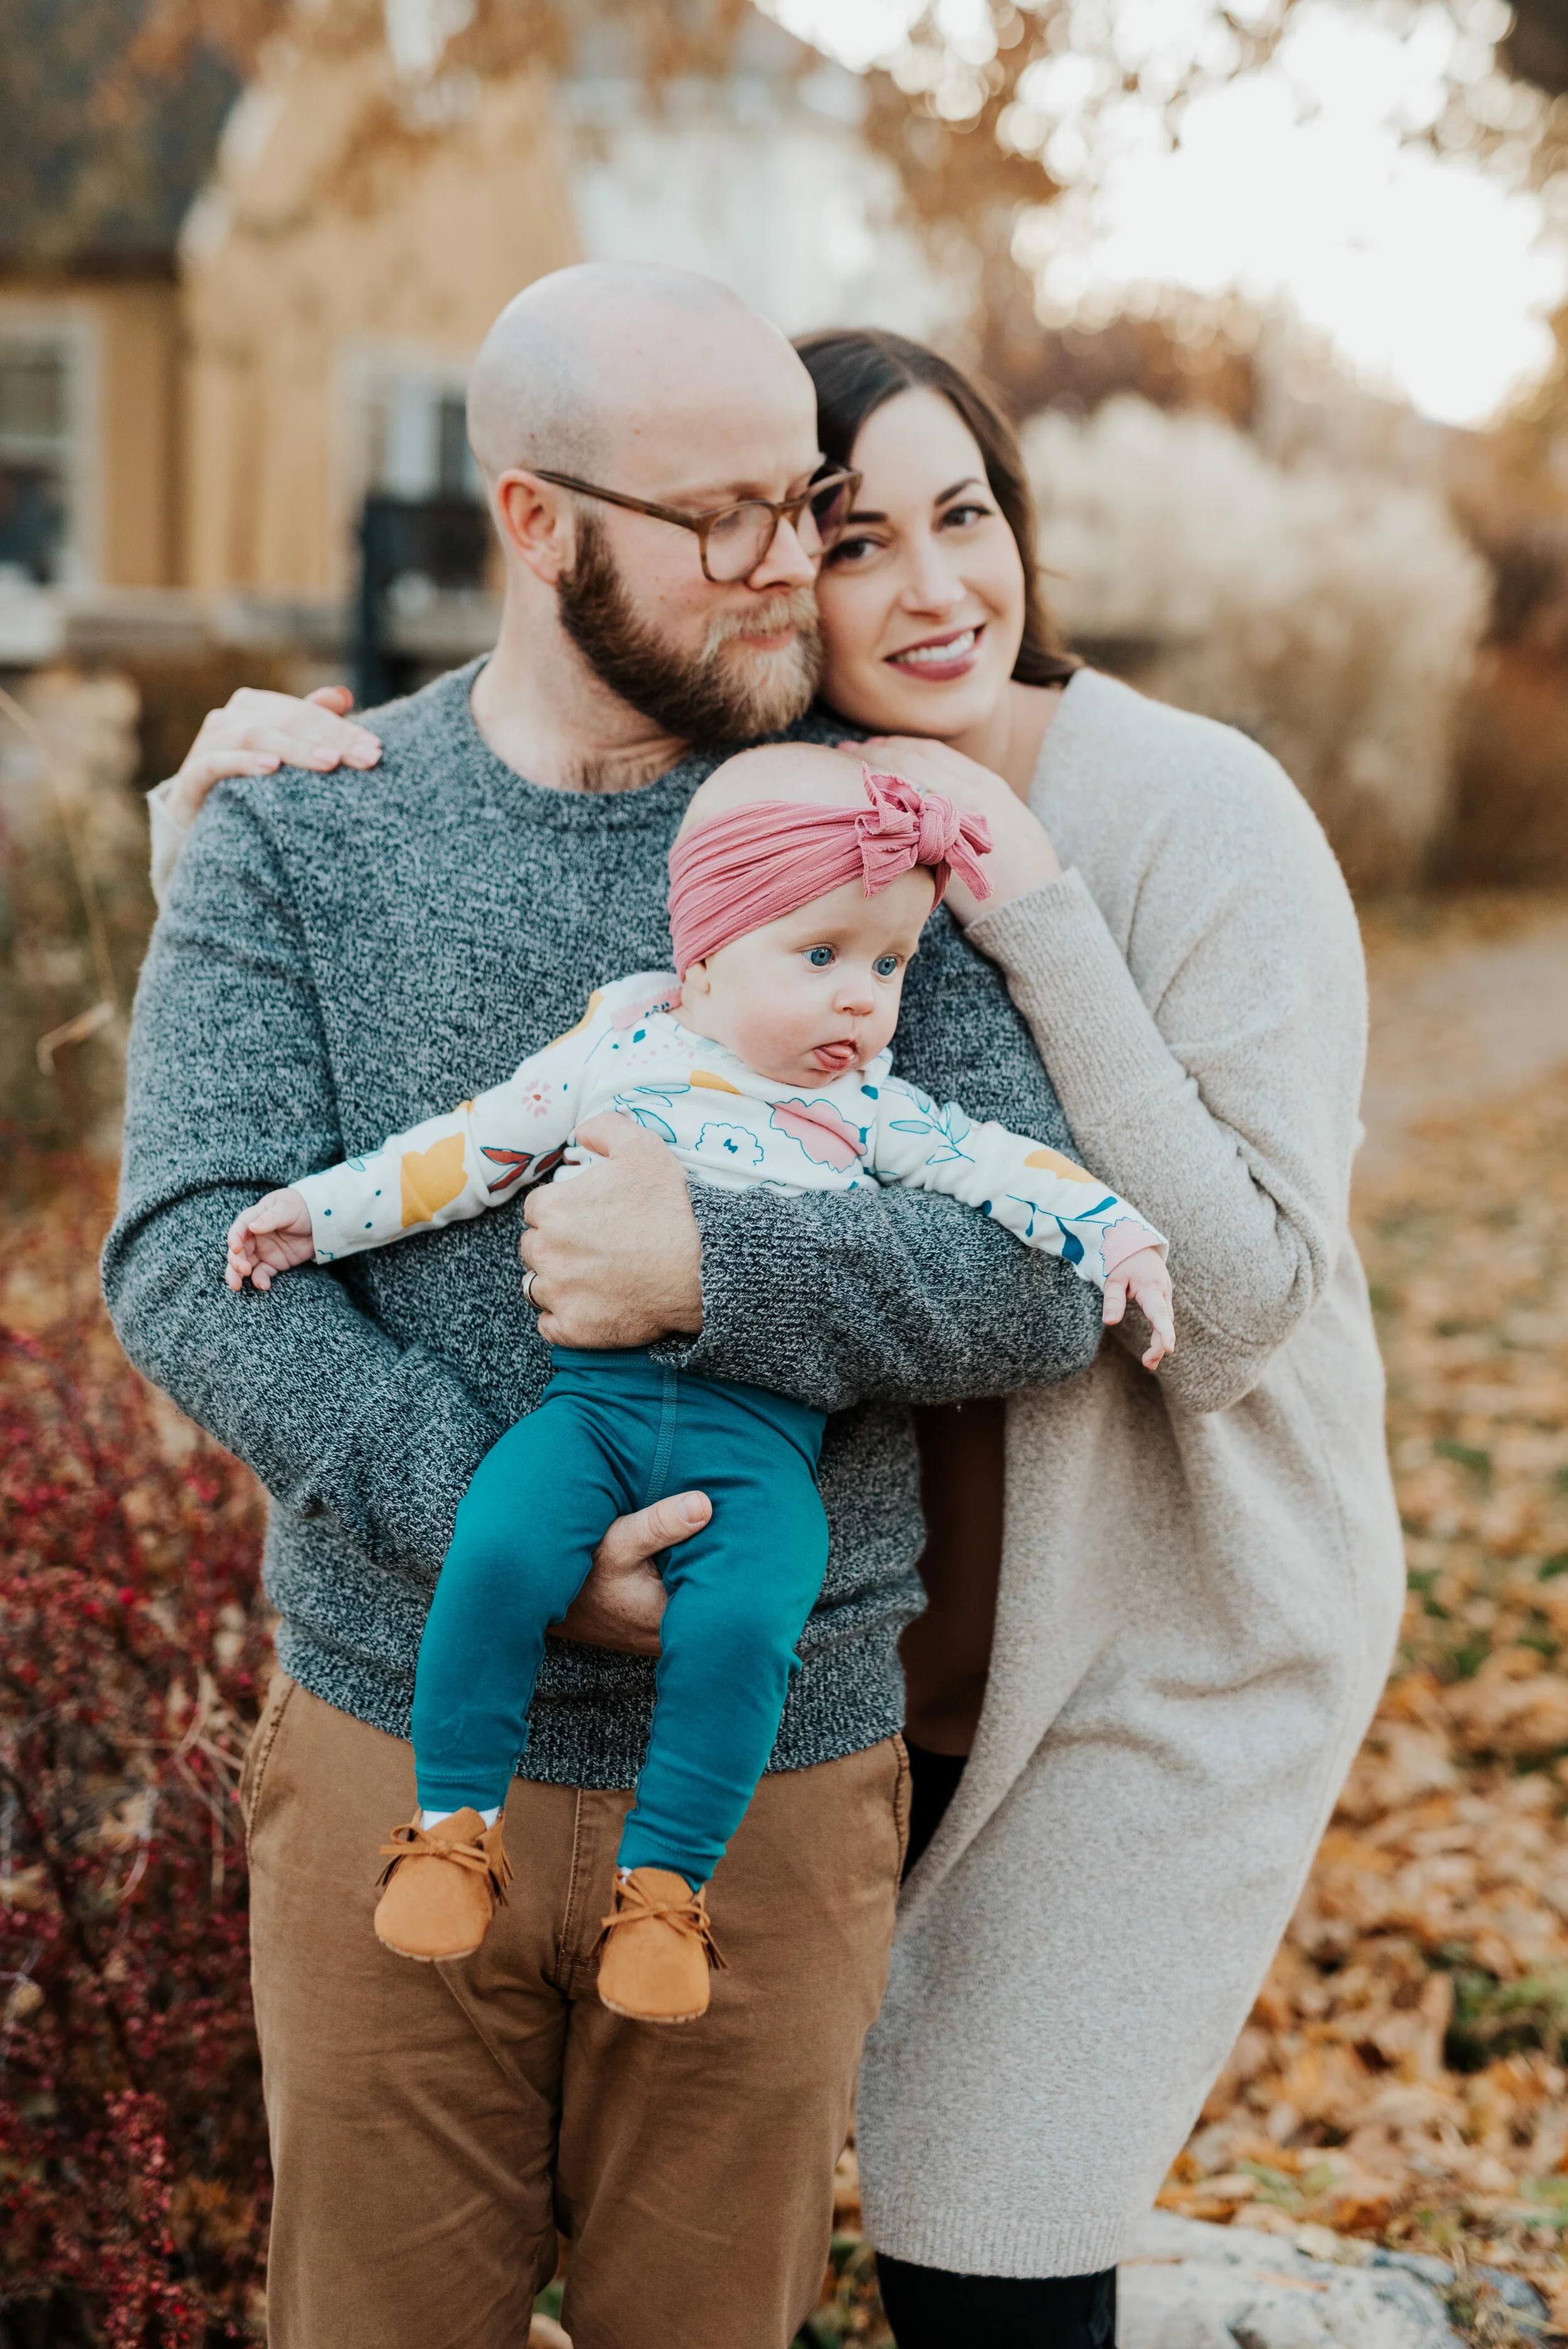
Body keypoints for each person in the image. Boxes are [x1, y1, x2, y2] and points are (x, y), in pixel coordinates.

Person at [167, 319, 1405, 2349]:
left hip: (1110, 1646)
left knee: (977, 2233)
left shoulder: (1003, 833)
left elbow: (1144, 1283)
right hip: (648, 1670)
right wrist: (205, 826)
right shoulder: (579, 824)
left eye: (959, 513)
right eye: (811, 527)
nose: (891, 581)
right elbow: (212, 1214)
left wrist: (723, 1261)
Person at [220, 745, 1172, 2010]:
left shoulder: (878, 1112)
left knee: (743, 1628)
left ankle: (664, 1891)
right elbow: (459, 1157)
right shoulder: (615, 1056)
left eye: (887, 967)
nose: (860, 1002)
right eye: (821, 957)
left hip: (760, 1452)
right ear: (709, 955)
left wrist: (1116, 1236)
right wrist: (308, 1219)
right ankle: (453, 1824)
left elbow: (1005, 1171)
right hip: (591, 1417)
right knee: (498, 1547)